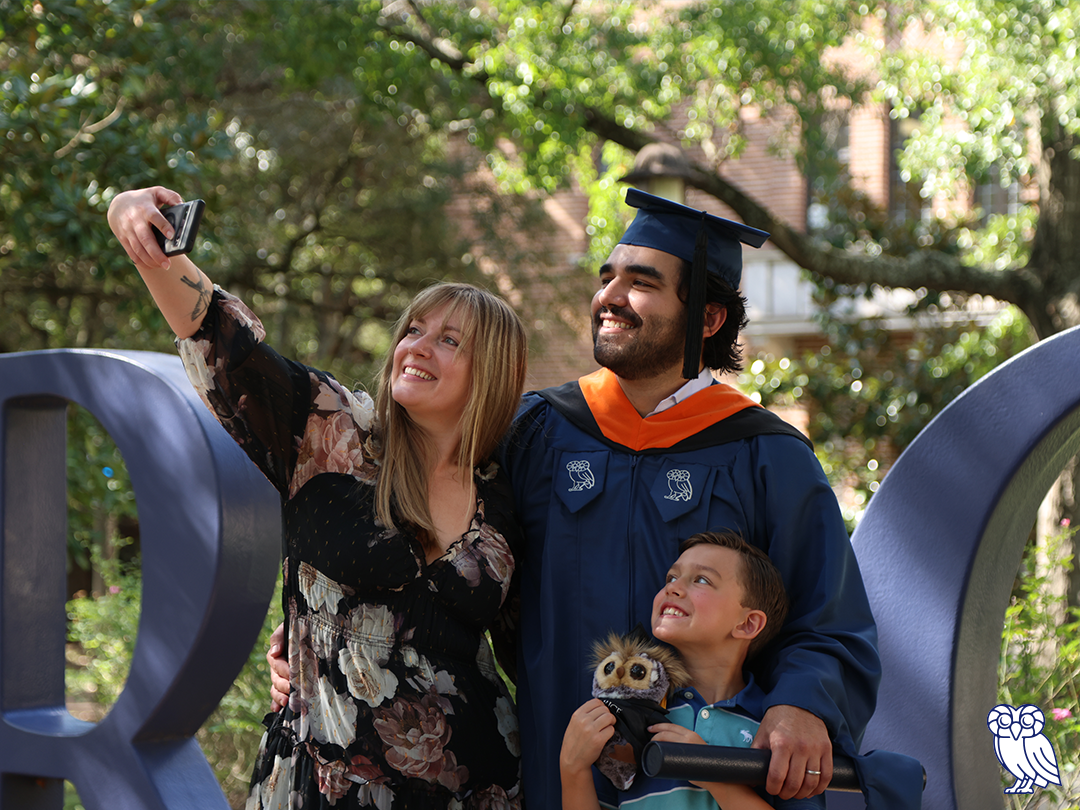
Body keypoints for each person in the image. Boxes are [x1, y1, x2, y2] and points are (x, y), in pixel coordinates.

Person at [271, 188, 881, 808]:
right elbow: (427, 545)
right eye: (606, 277)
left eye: (640, 283)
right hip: (552, 768)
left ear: (707, 318)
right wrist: (313, 633)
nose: (609, 298)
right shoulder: (539, 430)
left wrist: (802, 705)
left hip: (703, 777)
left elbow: (827, 620)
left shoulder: (765, 455)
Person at [108, 186, 528, 809]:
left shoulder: (507, 497)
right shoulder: (331, 433)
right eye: (414, 329)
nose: (416, 345)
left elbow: (535, 648)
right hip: (322, 783)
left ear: (490, 371)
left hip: (477, 787)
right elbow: (226, 343)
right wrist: (141, 235)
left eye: (450, 340)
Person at [561, 531, 789, 810]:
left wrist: (709, 770)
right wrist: (572, 770)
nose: (673, 588)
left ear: (748, 624)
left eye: (702, 580)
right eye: (671, 577)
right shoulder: (631, 713)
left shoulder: (773, 727)